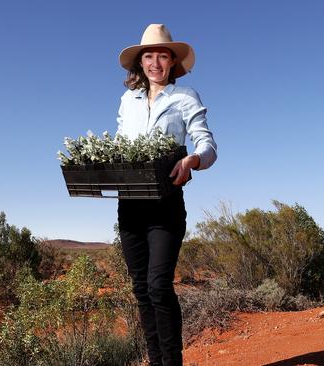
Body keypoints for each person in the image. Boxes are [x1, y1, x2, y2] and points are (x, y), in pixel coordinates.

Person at [115, 24, 217, 366]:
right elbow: (118, 145)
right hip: (129, 206)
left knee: (159, 285)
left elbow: (208, 145)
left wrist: (193, 160)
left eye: (162, 56)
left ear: (172, 61)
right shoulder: (128, 100)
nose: (155, 62)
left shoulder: (185, 97)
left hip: (166, 205)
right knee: (142, 290)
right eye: (149, 56)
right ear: (140, 62)